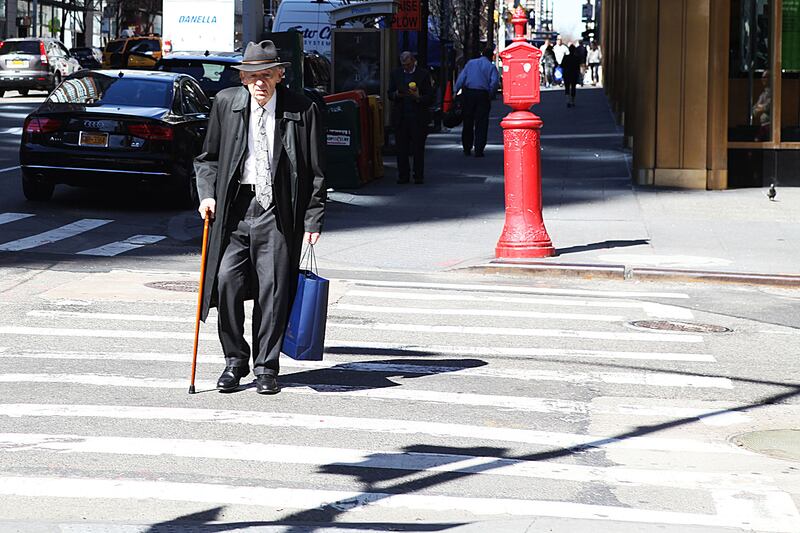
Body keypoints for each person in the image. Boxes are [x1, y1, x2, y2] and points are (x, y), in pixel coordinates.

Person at [194, 40, 326, 395]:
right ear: (242, 78)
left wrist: (313, 219)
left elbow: (315, 171)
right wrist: (207, 195)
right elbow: (207, 159)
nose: (259, 83)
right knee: (226, 281)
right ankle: (234, 361)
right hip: (236, 208)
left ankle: (266, 368)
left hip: (278, 210)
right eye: (252, 76)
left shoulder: (302, 109)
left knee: (274, 290)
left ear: (280, 75)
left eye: (267, 75)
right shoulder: (226, 104)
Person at [388, 51, 434, 184]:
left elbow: (430, 96)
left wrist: (419, 98)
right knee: (401, 148)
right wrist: (397, 94)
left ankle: (418, 175)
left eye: (408, 65)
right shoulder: (396, 74)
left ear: (413, 61)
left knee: (418, 148)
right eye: (404, 65)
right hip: (401, 116)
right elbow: (389, 93)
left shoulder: (423, 75)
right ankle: (403, 175)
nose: (406, 68)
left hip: (418, 117)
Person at [454, 45, 500, 157]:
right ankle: (479, 149)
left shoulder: (471, 63)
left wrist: (456, 90)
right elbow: (494, 83)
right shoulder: (491, 67)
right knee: (482, 123)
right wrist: (490, 93)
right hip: (482, 95)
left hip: (469, 94)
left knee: (468, 121)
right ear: (491, 56)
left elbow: (462, 77)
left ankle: (467, 147)